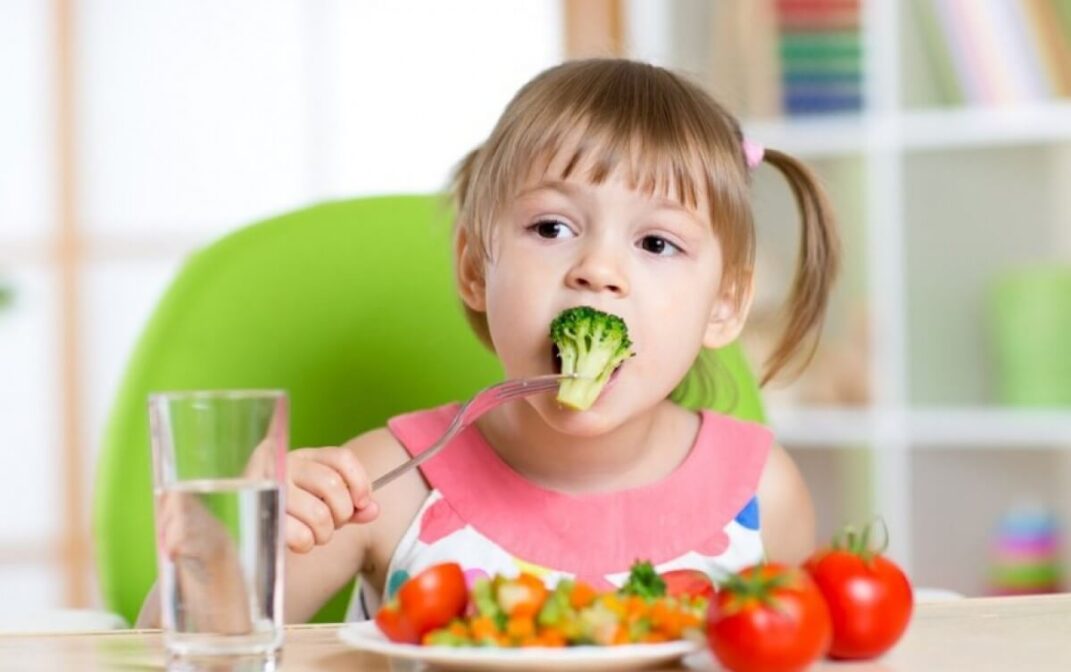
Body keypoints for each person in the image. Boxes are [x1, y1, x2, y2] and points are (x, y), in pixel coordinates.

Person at [138, 58, 838, 628]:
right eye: (551, 229)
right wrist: (232, 545)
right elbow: (191, 651)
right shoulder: (388, 483)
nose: (596, 270)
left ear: (723, 306)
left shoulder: (763, 492)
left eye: (656, 242)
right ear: (476, 267)